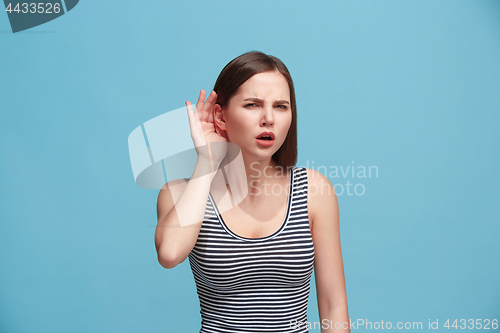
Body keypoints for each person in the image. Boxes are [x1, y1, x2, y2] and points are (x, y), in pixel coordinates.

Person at [154, 51, 350, 332]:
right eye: (252, 105)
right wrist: (207, 162)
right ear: (220, 116)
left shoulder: (314, 190)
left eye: (281, 106)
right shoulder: (179, 192)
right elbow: (170, 254)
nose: (269, 118)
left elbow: (334, 305)